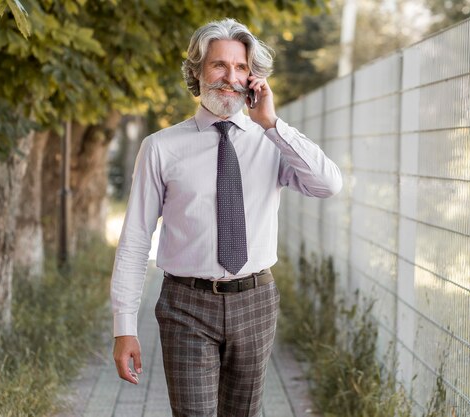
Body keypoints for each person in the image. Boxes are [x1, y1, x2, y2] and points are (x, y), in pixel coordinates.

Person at [111, 18, 342, 417]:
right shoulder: (161, 148)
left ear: (253, 78)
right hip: (185, 304)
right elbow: (135, 239)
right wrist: (123, 325)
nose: (229, 77)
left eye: (240, 67)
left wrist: (271, 123)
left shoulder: (273, 142)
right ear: (197, 72)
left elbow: (328, 184)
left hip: (255, 301)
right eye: (218, 65)